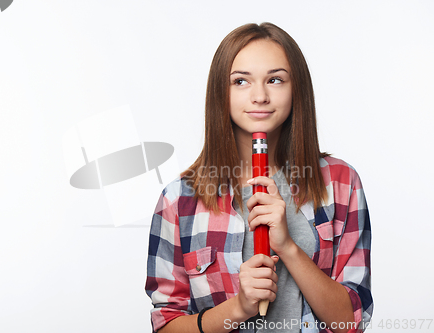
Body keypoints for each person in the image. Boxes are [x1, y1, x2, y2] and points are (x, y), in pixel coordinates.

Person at [145, 22, 372, 333]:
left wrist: (288, 247)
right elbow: (166, 325)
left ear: (297, 89)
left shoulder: (340, 182)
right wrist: (238, 307)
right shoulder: (180, 198)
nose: (260, 96)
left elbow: (351, 322)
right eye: (240, 81)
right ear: (220, 93)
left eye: (275, 80)